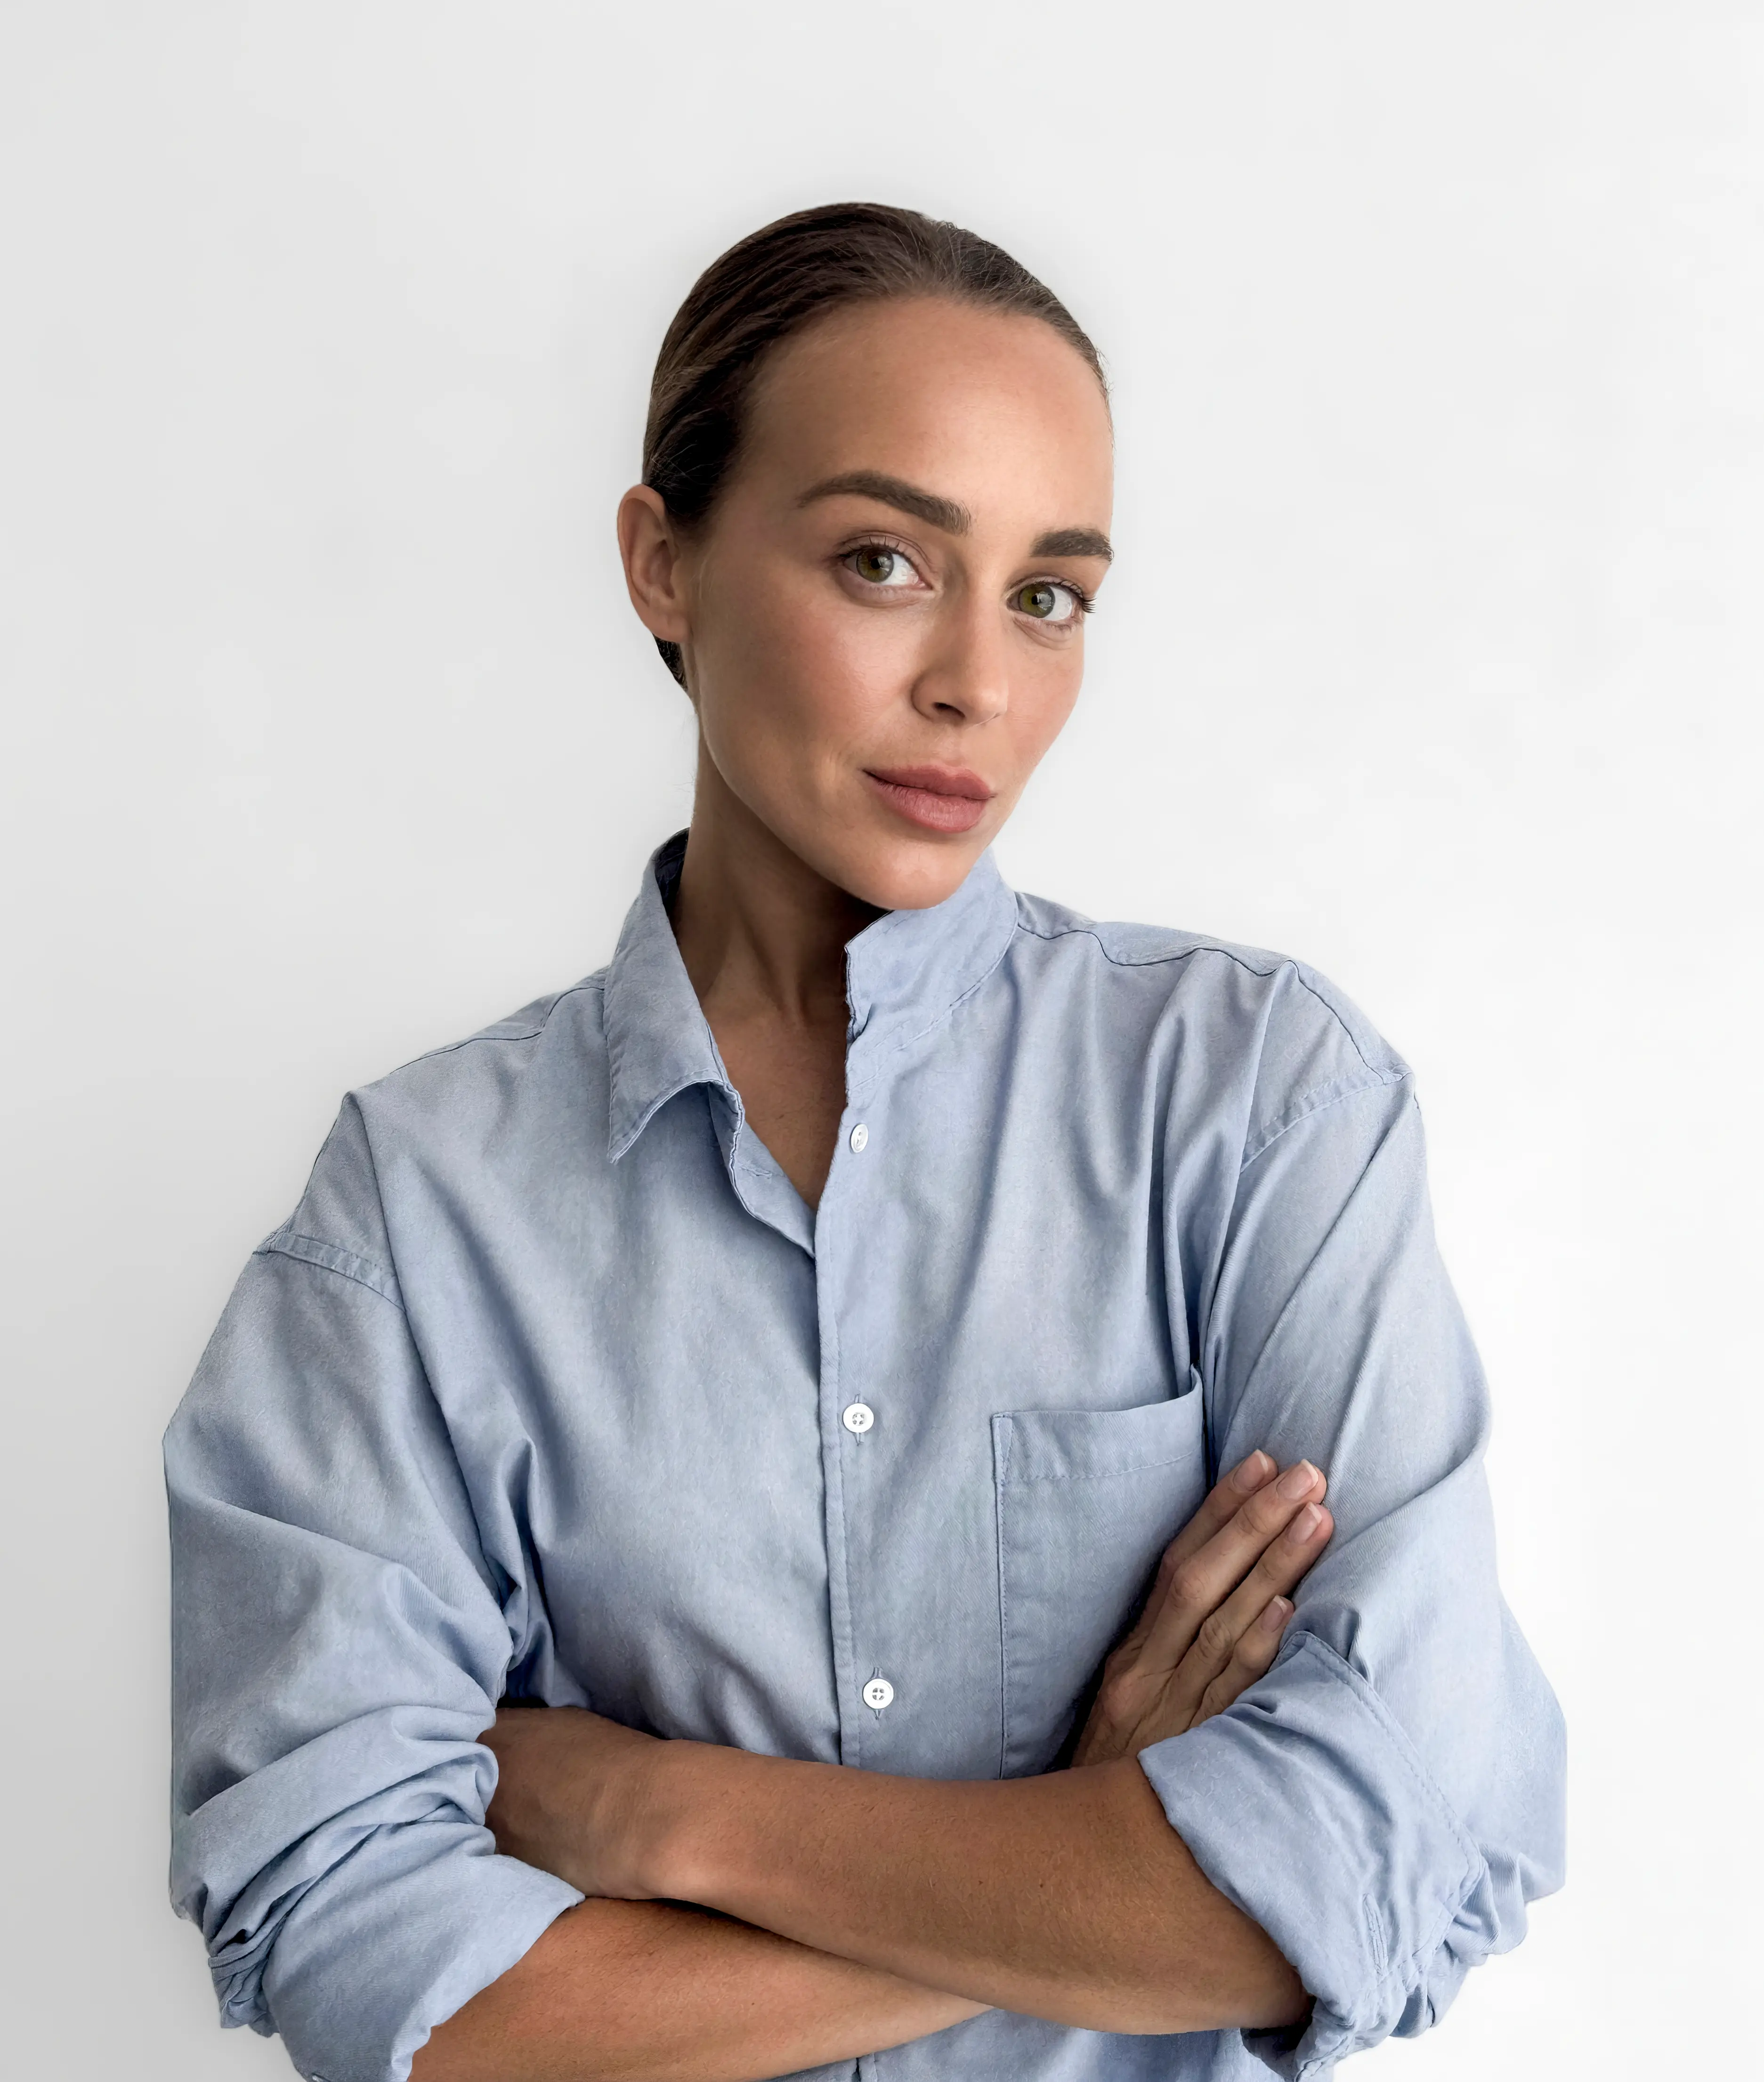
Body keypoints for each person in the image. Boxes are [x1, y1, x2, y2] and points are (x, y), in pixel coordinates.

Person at [164, 202, 1565, 2082]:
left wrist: (673, 1819)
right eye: (887, 559)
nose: (979, 682)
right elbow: (380, 1974)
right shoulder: (420, 1217)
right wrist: (1093, 1831)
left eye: (1050, 591)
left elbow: (1388, 1861)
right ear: (667, 561)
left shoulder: (1254, 1106)